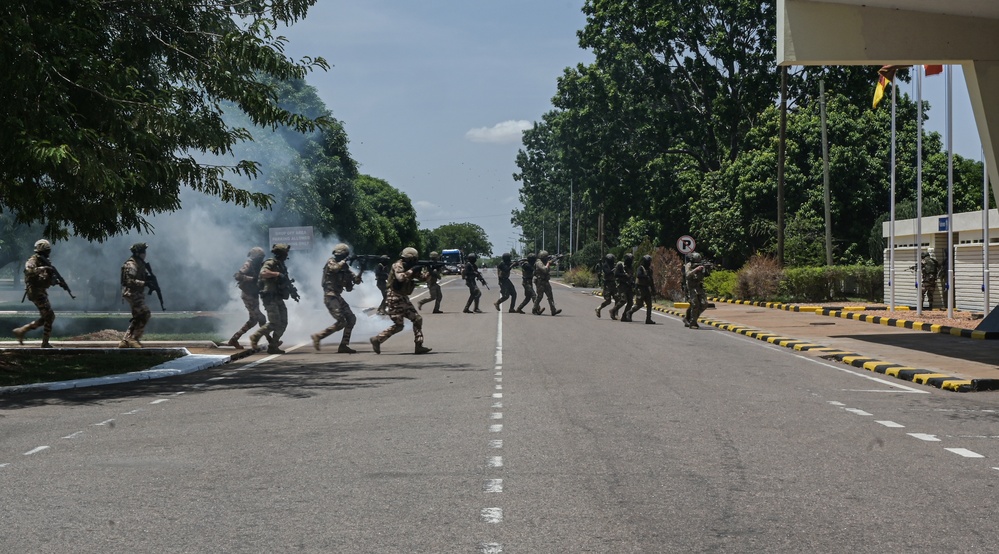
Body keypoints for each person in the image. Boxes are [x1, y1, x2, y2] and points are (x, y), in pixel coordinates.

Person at [371, 247, 432, 354]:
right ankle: (377, 339)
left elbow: (423, 278)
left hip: (402, 297)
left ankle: (419, 345)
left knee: (417, 319)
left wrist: (431, 271)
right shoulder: (397, 265)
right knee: (399, 325)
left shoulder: (411, 267)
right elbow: (400, 278)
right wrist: (413, 270)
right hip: (394, 297)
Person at [311, 243, 363, 353]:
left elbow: (355, 281)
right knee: (341, 322)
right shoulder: (331, 262)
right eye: (342, 256)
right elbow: (334, 269)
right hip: (330, 296)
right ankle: (319, 336)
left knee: (351, 319)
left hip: (337, 296)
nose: (342, 258)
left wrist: (361, 270)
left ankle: (344, 345)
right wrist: (346, 260)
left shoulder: (345, 268)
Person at [249, 243, 299, 354]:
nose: (287, 255)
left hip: (277, 297)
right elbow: (263, 273)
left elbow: (285, 281)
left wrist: (293, 293)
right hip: (269, 297)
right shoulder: (270, 262)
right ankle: (255, 336)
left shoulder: (281, 265)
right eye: (286, 253)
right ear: (281, 253)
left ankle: (273, 346)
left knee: (283, 322)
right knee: (274, 323)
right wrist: (276, 274)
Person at [12, 239, 60, 347]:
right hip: (35, 291)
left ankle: (22, 331)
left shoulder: (45, 261)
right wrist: (43, 268)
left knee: (48, 317)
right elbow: (28, 271)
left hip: (40, 291)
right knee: (49, 315)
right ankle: (45, 343)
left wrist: (54, 281)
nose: (48, 253)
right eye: (46, 251)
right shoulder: (32, 260)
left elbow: (46, 279)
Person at [227, 246, 267, 349]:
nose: (262, 259)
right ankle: (270, 340)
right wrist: (251, 279)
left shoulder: (259, 265)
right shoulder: (248, 264)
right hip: (248, 294)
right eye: (260, 257)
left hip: (253, 294)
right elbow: (237, 276)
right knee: (261, 318)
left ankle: (234, 339)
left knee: (253, 320)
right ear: (256, 257)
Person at [119, 242, 152, 348]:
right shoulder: (132, 264)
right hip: (131, 293)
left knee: (138, 316)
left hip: (136, 293)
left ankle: (125, 340)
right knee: (145, 313)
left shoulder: (139, 263)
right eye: (143, 252)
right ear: (138, 253)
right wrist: (144, 283)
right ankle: (134, 338)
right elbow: (129, 281)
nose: (145, 254)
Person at [683, 252, 711, 329]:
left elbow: (706, 275)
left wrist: (707, 268)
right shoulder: (688, 265)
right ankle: (693, 322)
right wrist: (696, 269)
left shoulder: (701, 265)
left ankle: (691, 319)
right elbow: (687, 275)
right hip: (691, 287)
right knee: (695, 304)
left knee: (704, 304)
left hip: (699, 287)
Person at [532, 250, 562, 316]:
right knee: (540, 296)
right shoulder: (538, 262)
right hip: (540, 281)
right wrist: (549, 263)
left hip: (545, 281)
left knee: (550, 295)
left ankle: (553, 310)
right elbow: (544, 269)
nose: (547, 258)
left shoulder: (544, 262)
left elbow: (549, 266)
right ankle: (534, 309)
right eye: (546, 257)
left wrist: (554, 262)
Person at [611, 253, 635, 322]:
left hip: (629, 286)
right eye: (629, 260)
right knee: (623, 300)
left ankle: (624, 316)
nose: (631, 262)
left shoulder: (630, 267)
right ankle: (613, 311)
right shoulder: (620, 265)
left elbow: (632, 276)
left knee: (630, 302)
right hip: (622, 285)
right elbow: (616, 274)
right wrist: (624, 275)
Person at [595, 253, 617, 318]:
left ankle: (614, 313)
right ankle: (598, 308)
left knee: (617, 299)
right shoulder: (605, 265)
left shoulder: (613, 265)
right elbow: (607, 272)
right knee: (608, 300)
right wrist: (614, 270)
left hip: (613, 283)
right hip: (607, 284)